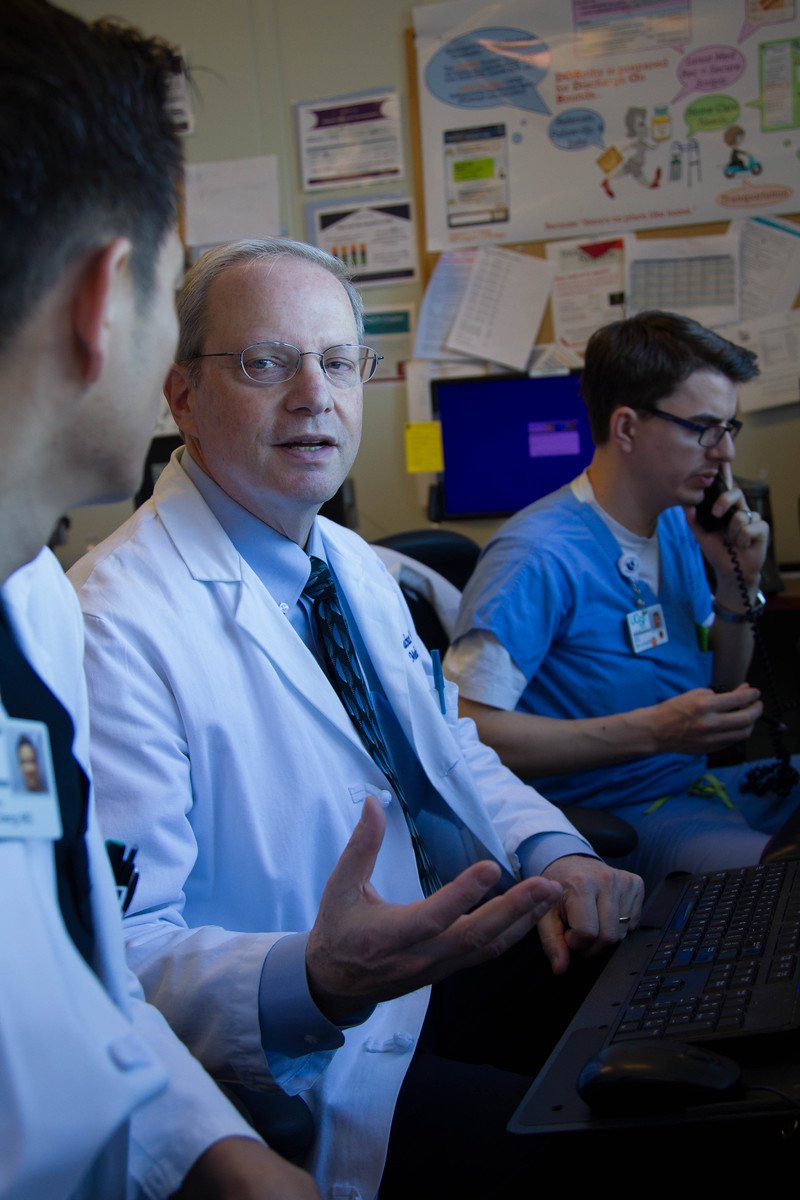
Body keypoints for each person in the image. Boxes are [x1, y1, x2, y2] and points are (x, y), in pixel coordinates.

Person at [69, 238, 643, 1198]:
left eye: (339, 362)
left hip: (444, 962)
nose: (313, 395)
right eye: (265, 362)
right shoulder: (114, 624)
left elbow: (448, 752)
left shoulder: (349, 563)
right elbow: (118, 960)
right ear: (181, 396)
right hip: (310, 1050)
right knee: (591, 1156)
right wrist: (320, 973)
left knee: (670, 1020)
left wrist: (557, 852)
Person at [0, 4, 318, 1197]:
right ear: (106, 301)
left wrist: (225, 1163)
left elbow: (87, 982)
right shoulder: (94, 608)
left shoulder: (26, 600)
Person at [446, 310, 800, 890]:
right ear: (629, 428)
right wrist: (654, 732)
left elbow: (722, 683)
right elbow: (464, 729)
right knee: (780, 890)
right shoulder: (537, 554)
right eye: (704, 429)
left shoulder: (680, 528)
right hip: (614, 821)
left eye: (729, 429)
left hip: (694, 787)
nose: (725, 454)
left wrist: (737, 580)